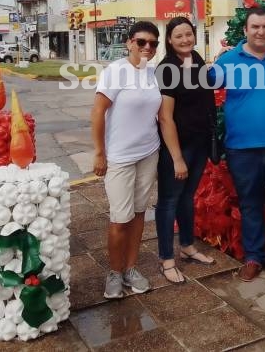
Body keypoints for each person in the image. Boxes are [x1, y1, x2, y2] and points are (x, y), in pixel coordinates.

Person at [209, 7, 265, 285]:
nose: (260, 31)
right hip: (242, 148)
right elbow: (199, 87)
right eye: (255, 27)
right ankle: (254, 257)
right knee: (250, 205)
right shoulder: (227, 61)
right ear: (246, 30)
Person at [91, 21, 163, 299]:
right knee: (120, 218)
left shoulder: (154, 74)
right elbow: (98, 112)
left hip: (148, 152)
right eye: (141, 42)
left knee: (138, 214)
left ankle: (131, 268)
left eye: (153, 43)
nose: (147, 47)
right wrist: (100, 152)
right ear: (129, 42)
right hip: (119, 156)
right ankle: (114, 271)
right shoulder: (116, 71)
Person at [155, 17, 216, 284]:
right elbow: (165, 118)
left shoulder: (197, 60)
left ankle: (188, 246)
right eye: (178, 36)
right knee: (169, 200)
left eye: (188, 34)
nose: (185, 40)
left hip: (199, 143)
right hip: (176, 147)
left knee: (187, 196)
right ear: (169, 40)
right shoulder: (167, 68)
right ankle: (167, 259)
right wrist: (177, 157)